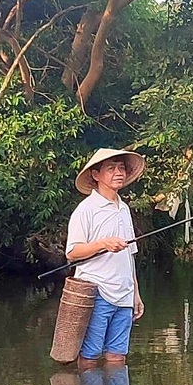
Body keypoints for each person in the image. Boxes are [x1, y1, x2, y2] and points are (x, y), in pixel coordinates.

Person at [65, 148, 148, 369]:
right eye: (111, 168)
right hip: (96, 293)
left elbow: (130, 256)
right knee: (90, 357)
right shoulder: (86, 210)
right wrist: (102, 244)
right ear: (96, 175)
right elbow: (72, 252)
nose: (118, 172)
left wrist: (136, 294)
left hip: (124, 294)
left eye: (121, 168)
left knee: (117, 357)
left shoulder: (124, 209)